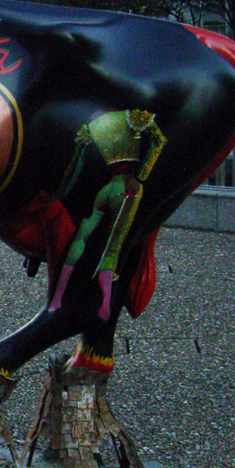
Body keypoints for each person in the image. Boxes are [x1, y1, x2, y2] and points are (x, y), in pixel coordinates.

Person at [47, 109, 167, 321]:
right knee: (113, 245)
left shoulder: (93, 125)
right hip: (126, 188)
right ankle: (104, 307)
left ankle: (56, 300)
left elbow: (75, 167)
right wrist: (140, 177)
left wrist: (61, 193)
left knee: (81, 238)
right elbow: (159, 142)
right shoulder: (132, 117)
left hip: (106, 189)